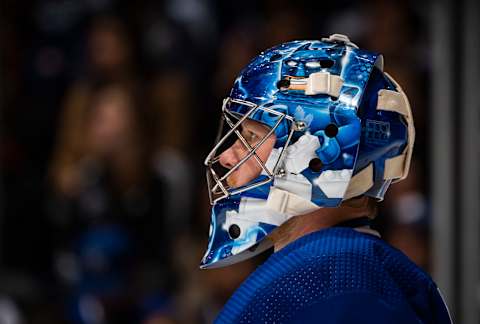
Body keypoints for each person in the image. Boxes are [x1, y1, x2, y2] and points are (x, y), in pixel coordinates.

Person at [200, 34, 452, 323]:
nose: (227, 157)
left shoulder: (330, 288)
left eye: (252, 137)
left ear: (317, 156)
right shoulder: (361, 276)